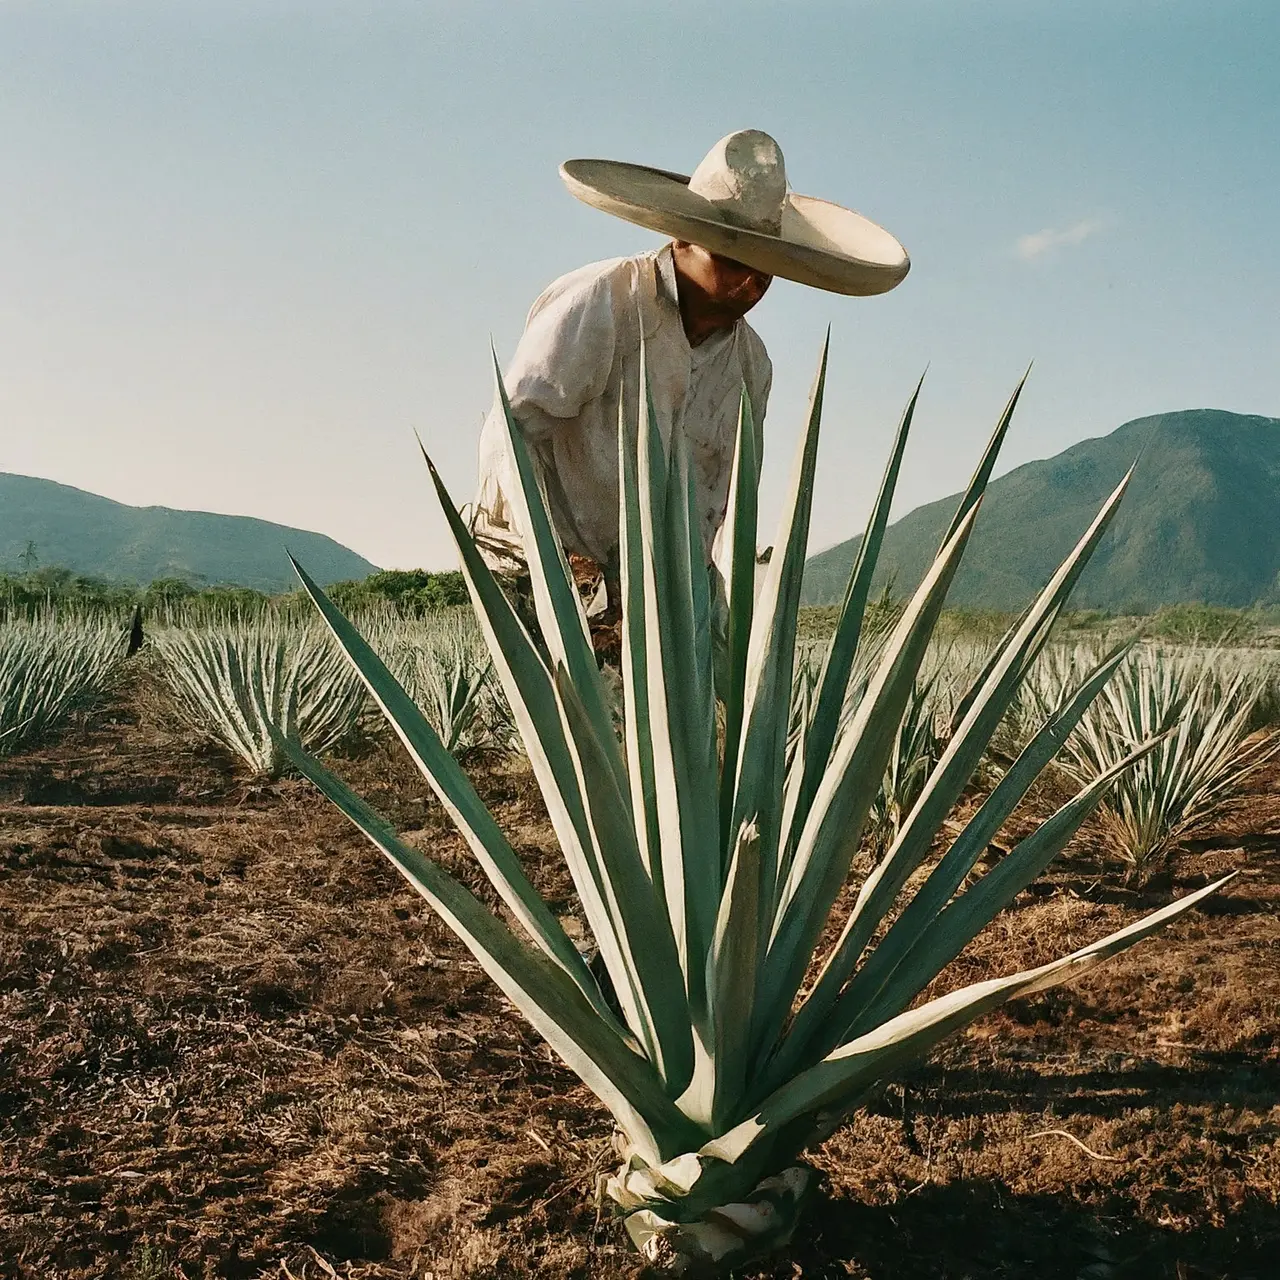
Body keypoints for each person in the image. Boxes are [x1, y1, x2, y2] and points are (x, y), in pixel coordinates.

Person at [470, 129, 909, 649]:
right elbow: (512, 432)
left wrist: (701, 593)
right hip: (553, 572)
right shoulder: (604, 302)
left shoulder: (751, 365)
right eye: (734, 261)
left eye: (768, 269)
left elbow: (722, 493)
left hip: (672, 591)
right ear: (681, 239)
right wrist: (550, 566)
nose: (753, 283)